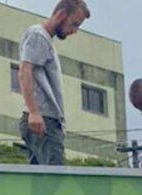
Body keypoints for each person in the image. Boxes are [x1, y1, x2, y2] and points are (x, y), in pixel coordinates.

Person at [18, 0, 91, 165]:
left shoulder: (44, 39)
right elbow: (25, 71)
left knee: (42, 182)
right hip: (44, 118)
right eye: (74, 24)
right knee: (55, 176)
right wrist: (34, 112)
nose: (74, 31)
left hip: (45, 119)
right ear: (61, 15)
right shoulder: (38, 35)